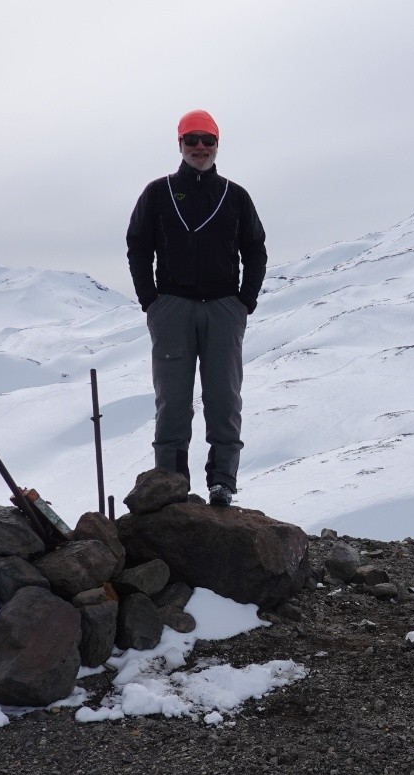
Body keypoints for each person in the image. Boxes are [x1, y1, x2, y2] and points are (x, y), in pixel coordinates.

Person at [126, 109, 267, 507]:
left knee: (224, 396)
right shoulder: (158, 192)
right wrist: (151, 301)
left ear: (217, 144)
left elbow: (255, 250)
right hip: (173, 307)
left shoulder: (235, 195)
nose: (200, 147)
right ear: (180, 144)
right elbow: (138, 246)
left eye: (207, 140)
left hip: (223, 307)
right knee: (172, 398)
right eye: (192, 140)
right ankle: (170, 483)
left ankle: (222, 481)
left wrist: (244, 301)